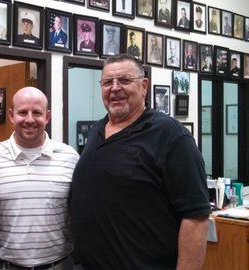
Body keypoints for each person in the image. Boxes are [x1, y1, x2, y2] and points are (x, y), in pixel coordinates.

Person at [70, 54, 211, 269]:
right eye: (108, 82)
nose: (115, 88)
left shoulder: (171, 136)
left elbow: (196, 218)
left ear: (144, 86)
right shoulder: (97, 130)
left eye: (125, 80)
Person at [0, 87, 79, 269]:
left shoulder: (70, 158)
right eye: (22, 112)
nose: (29, 119)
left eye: (37, 113)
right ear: (11, 115)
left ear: (47, 116)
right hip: (6, 266)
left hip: (59, 265)